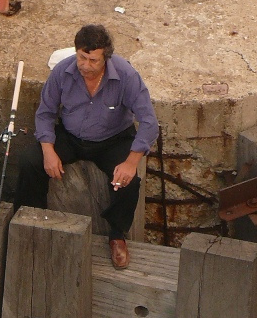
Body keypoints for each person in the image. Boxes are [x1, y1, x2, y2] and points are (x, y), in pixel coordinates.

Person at [14, 24, 159, 270]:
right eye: (82, 57)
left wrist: (131, 162)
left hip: (112, 139)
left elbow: (149, 122)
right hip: (71, 136)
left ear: (106, 58)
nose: (85, 65)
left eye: (93, 60)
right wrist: (49, 152)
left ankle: (117, 234)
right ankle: (30, 219)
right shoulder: (62, 71)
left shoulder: (126, 76)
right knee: (30, 161)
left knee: (128, 182)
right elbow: (46, 113)